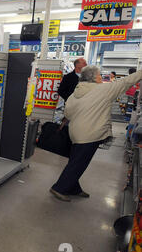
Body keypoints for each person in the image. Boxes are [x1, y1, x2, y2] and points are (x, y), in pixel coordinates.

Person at [50, 66, 142, 202]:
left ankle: (74, 188)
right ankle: (59, 188)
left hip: (75, 133)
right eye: (99, 75)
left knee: (75, 161)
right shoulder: (103, 90)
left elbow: (67, 114)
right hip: (90, 135)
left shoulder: (75, 92)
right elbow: (126, 82)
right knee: (78, 164)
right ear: (94, 78)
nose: (101, 78)